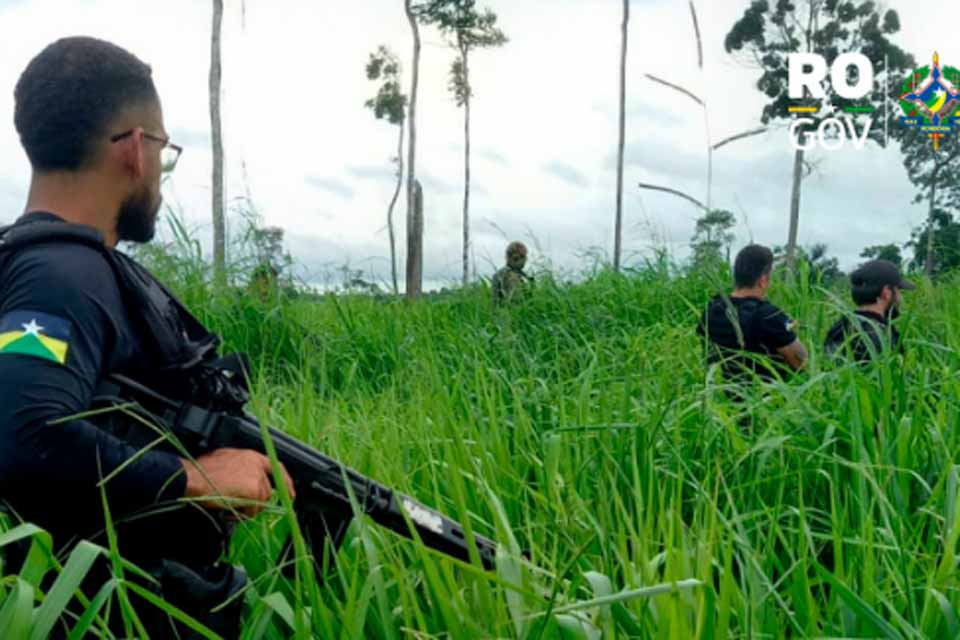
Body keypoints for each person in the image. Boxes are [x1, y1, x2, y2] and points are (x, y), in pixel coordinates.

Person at [0, 37, 295, 637]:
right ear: (135, 148)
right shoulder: (62, 276)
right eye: (163, 147)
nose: (160, 167)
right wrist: (197, 478)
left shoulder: (57, 265)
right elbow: (21, 433)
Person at [697, 244, 808, 385]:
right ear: (763, 281)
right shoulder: (768, 315)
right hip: (765, 400)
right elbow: (801, 362)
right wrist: (791, 332)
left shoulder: (712, 309)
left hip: (720, 397)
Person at [824, 259, 913, 362]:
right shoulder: (883, 337)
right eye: (898, 291)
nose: (900, 298)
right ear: (887, 292)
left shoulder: (839, 327)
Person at [492, 241, 533, 305]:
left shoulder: (498, 274)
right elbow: (517, 301)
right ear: (516, 258)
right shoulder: (511, 276)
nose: (526, 260)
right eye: (525, 257)